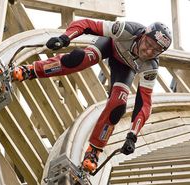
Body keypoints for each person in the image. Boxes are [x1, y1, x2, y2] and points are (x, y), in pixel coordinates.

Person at [11, 19, 172, 173]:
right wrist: (65, 37)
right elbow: (87, 24)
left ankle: (94, 151)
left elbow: (144, 104)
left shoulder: (151, 66)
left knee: (118, 105)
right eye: (148, 44)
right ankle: (30, 70)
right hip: (109, 45)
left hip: (125, 68)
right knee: (80, 59)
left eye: (155, 50)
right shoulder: (126, 30)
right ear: (143, 35)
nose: (148, 51)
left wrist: (132, 136)